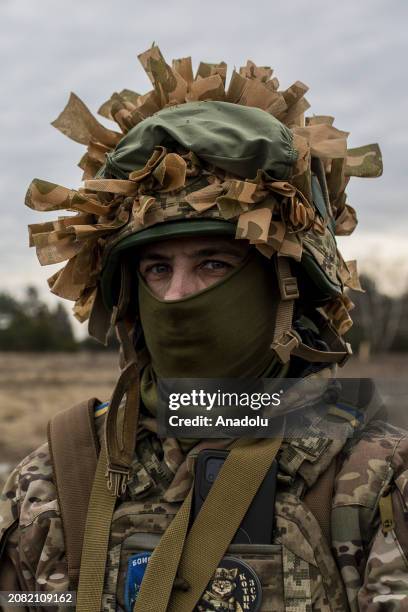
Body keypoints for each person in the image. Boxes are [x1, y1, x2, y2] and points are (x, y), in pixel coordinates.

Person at [1, 45, 407, 612]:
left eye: (213, 264)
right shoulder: (60, 472)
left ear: (285, 288)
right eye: (157, 269)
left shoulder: (370, 482)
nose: (176, 295)